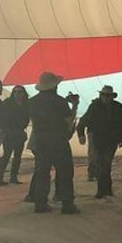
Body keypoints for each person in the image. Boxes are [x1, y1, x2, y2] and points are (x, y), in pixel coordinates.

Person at [27, 71, 80, 214]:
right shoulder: (59, 101)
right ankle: (67, 204)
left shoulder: (32, 102)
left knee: (42, 172)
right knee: (65, 171)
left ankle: (40, 203)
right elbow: (68, 121)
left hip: (40, 139)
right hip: (58, 139)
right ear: (54, 86)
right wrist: (75, 105)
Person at [77, 85, 122, 199]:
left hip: (111, 140)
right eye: (103, 95)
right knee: (101, 165)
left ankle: (105, 190)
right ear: (100, 95)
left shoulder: (118, 107)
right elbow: (83, 120)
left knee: (106, 165)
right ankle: (103, 190)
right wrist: (81, 134)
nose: (105, 98)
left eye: (108, 96)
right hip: (98, 140)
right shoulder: (94, 106)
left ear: (112, 97)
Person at [0, 85, 29, 185]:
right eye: (16, 92)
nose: (18, 94)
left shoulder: (26, 104)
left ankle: (13, 177)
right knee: (6, 154)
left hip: (19, 132)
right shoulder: (7, 103)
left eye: (20, 92)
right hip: (9, 132)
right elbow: (2, 117)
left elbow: (27, 118)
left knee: (17, 156)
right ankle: (0, 177)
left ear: (23, 93)